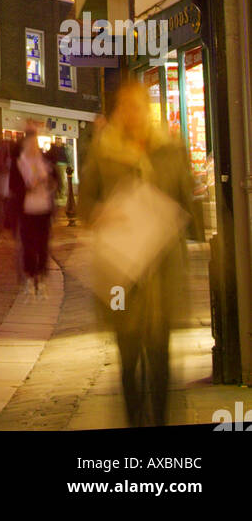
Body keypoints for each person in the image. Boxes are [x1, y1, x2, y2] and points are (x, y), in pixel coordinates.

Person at [78, 81, 195, 429]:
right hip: (120, 279)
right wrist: (102, 213)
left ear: (148, 109)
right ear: (118, 112)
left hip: (162, 274)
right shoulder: (103, 152)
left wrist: (167, 216)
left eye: (138, 106)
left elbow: (188, 205)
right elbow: (85, 205)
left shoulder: (171, 151)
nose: (132, 114)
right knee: (128, 362)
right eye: (125, 106)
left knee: (160, 361)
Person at [17, 131, 56, 297]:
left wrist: (48, 183)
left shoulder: (44, 161)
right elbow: (17, 187)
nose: (34, 147)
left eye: (36, 143)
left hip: (44, 208)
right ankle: (30, 276)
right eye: (31, 143)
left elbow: (55, 182)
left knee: (42, 245)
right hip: (28, 209)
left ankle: (41, 276)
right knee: (29, 245)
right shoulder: (21, 163)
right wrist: (30, 186)